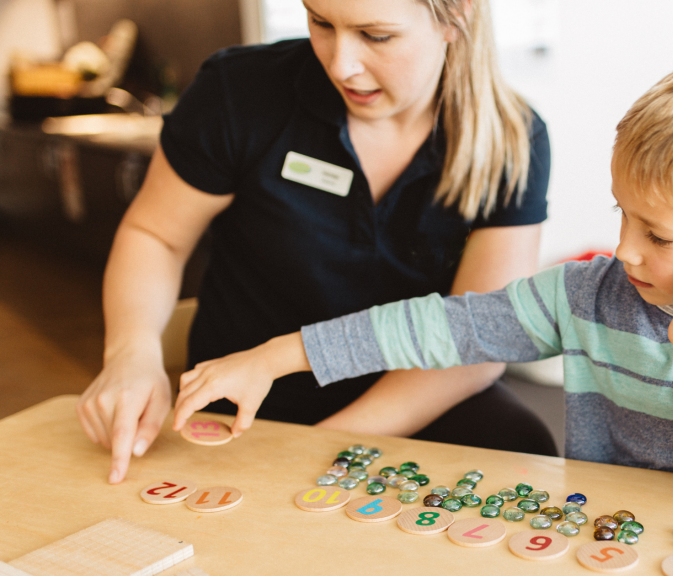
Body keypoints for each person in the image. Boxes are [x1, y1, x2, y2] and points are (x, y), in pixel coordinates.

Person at [172, 55, 673, 515]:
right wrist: (277, 354)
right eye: (622, 216)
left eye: (659, 236)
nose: (625, 251)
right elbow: (442, 327)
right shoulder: (587, 293)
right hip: (602, 537)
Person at [76, 0, 559, 486]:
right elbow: (154, 236)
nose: (339, 64)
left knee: (523, 451)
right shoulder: (240, 91)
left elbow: (476, 338)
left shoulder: (513, 139)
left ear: (457, 16)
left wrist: (320, 453)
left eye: (376, 35)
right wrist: (129, 353)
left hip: (418, 398)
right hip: (250, 404)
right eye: (321, 22)